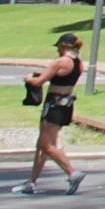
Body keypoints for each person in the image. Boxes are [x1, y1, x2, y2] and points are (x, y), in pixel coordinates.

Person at [21, 30, 86, 194]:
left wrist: (29, 79)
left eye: (58, 46)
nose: (57, 49)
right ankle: (31, 182)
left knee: (46, 145)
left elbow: (38, 82)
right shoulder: (78, 63)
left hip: (54, 105)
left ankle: (72, 173)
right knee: (43, 144)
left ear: (63, 46)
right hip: (66, 105)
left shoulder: (61, 62)